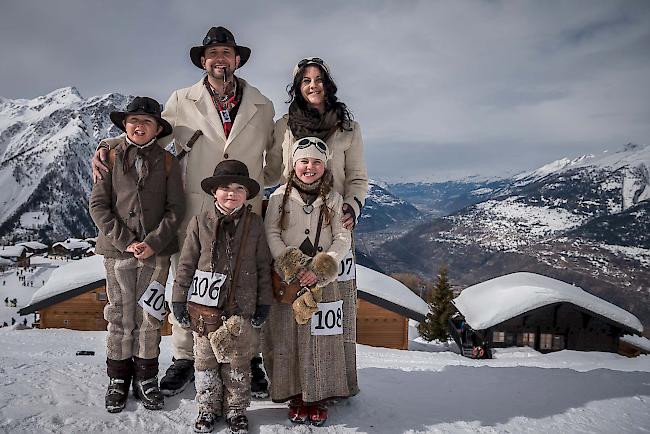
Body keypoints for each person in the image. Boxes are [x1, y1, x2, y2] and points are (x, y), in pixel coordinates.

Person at [92, 26, 280, 396]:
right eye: (213, 54)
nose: (220, 59)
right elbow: (148, 134)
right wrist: (108, 145)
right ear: (203, 61)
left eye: (227, 53)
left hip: (245, 205)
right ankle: (185, 356)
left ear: (237, 59)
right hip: (194, 206)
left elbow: (274, 160)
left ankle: (249, 356)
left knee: (244, 277)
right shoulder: (181, 100)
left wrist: (254, 180)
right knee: (189, 275)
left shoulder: (263, 105)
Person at [269, 57, 368, 397]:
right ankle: (294, 385)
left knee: (330, 310)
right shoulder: (284, 125)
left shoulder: (348, 128)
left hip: (333, 225)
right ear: (297, 87)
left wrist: (352, 207)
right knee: (290, 314)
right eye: (305, 80)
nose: (312, 85)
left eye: (318, 79)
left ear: (328, 84)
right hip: (294, 222)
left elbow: (357, 177)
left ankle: (332, 384)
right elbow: (271, 168)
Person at [89, 96, 185, 413]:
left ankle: (146, 377)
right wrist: (126, 240)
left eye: (147, 121)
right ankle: (118, 379)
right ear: (125, 126)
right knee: (120, 314)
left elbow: (176, 210)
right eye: (134, 121)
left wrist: (154, 242)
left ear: (158, 129)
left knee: (150, 316)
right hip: (118, 252)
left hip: (156, 254)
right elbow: (98, 206)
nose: (139, 126)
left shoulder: (168, 163)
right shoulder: (111, 159)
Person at [171, 160, 272, 434]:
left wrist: (265, 301)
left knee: (237, 362)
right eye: (225, 188)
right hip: (204, 309)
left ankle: (236, 409)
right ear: (214, 191)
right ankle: (207, 407)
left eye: (239, 188)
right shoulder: (199, 222)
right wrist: (179, 298)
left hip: (241, 308)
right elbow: (186, 263)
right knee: (204, 361)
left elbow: (264, 265)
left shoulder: (254, 224)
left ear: (247, 194)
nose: (231, 194)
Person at [263, 137, 351, 426]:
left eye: (316, 162)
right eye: (304, 161)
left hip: (320, 279)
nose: (309, 167)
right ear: (294, 165)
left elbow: (341, 237)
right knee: (287, 337)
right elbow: (272, 233)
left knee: (320, 339)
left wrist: (324, 265)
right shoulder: (279, 197)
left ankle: (318, 393)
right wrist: (288, 261)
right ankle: (295, 393)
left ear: (324, 167)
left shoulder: (334, 199)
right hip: (288, 278)